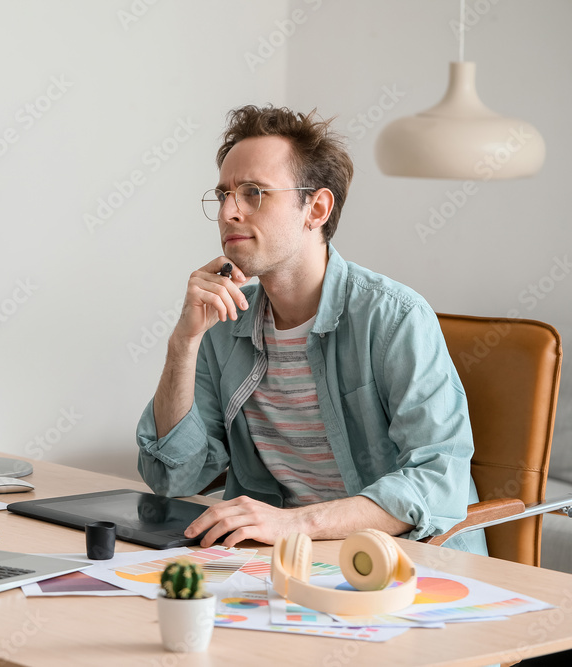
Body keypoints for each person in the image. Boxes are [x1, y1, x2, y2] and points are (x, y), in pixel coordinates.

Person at [135, 104, 486, 555]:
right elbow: (172, 477)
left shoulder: (395, 318)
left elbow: (439, 480)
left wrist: (295, 524)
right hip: (274, 565)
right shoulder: (224, 322)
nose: (228, 212)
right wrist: (184, 342)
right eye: (223, 194)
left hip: (405, 567)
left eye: (253, 192)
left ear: (315, 208)